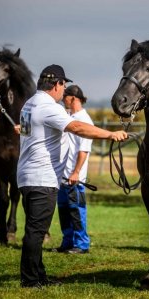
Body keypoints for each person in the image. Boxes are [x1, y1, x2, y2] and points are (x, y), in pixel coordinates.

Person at [17, 64, 128, 288]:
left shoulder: (29, 104)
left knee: (34, 229)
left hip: (27, 175)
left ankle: (39, 276)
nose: (63, 91)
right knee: (36, 232)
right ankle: (30, 280)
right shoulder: (49, 107)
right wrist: (110, 134)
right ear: (57, 84)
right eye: (63, 86)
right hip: (42, 178)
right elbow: (78, 127)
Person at [55, 85, 93, 254]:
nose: (63, 100)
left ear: (73, 98)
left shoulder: (84, 121)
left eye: (65, 97)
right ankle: (67, 241)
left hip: (74, 177)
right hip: (63, 176)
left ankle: (82, 244)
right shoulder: (69, 117)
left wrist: (76, 172)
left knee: (76, 210)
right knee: (64, 211)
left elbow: (83, 150)